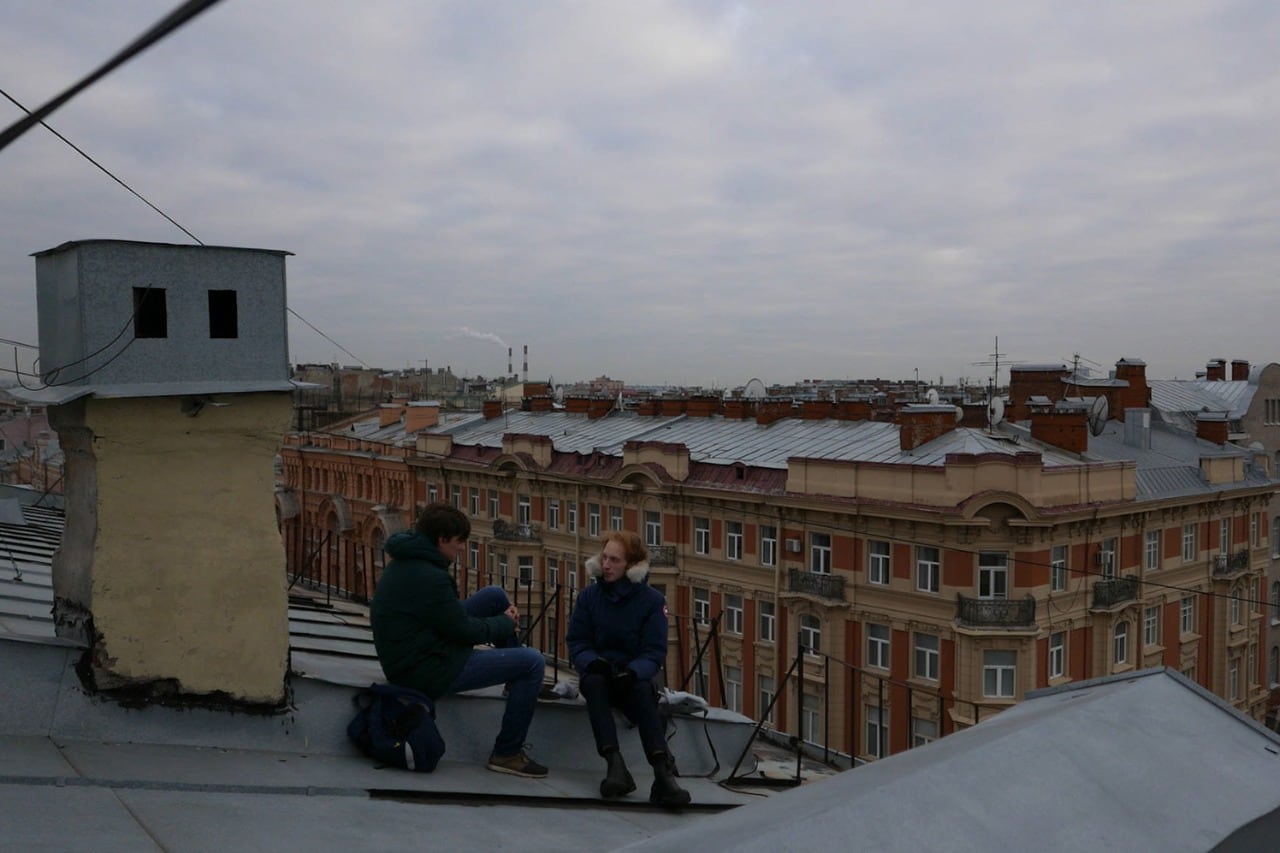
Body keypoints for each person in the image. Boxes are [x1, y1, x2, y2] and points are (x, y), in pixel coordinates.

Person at [370, 503, 548, 778]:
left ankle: (515, 684)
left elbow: (448, 620)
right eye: (459, 542)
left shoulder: (411, 560)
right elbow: (465, 632)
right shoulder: (429, 577)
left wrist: (498, 618)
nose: (463, 548)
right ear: (441, 540)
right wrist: (505, 623)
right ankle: (507, 753)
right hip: (424, 669)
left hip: (418, 647)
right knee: (533, 662)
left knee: (495, 595)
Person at [566, 531, 691, 806]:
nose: (607, 565)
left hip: (632, 677)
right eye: (605, 558)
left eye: (615, 560)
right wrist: (591, 661)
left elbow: (654, 651)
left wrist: (634, 671)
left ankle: (662, 775)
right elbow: (577, 641)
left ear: (632, 566)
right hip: (599, 674)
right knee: (594, 683)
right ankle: (615, 766)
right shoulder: (589, 597)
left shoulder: (652, 601)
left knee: (643, 690)